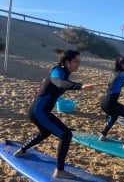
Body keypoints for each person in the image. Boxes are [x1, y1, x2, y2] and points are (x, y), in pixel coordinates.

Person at [13, 49, 96, 179]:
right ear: (67, 62)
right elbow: (60, 83)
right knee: (66, 135)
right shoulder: (58, 71)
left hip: (38, 111)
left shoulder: (63, 72)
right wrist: (80, 86)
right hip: (38, 111)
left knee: (44, 133)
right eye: (75, 61)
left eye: (79, 62)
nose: (78, 64)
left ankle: (21, 151)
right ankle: (59, 171)